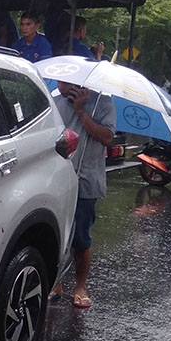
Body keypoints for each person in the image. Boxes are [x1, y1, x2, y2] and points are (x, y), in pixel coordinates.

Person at [50, 81, 116, 308]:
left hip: (86, 179)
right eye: (57, 80)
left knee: (81, 236)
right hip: (56, 179)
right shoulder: (54, 102)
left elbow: (106, 137)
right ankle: (55, 281)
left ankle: (80, 285)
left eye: (64, 81)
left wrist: (81, 111)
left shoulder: (103, 103)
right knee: (54, 233)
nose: (59, 84)